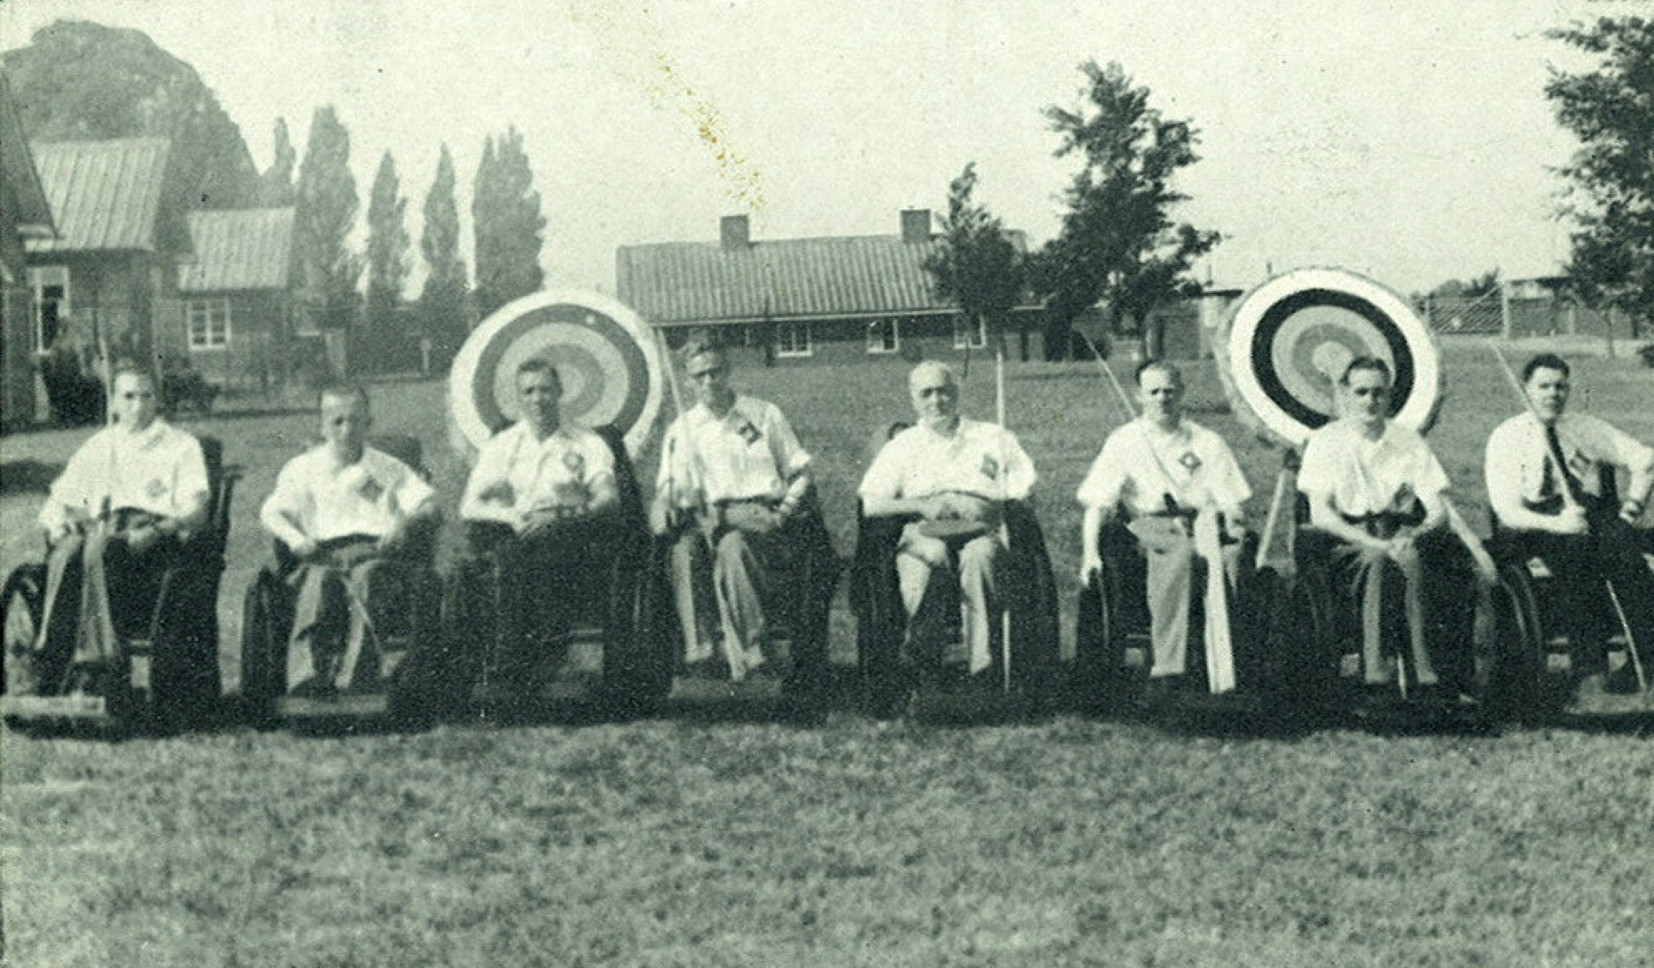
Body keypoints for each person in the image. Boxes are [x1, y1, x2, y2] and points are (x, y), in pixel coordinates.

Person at [10, 366, 209, 695]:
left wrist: (159, 531)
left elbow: (197, 511)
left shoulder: (180, 446)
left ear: (157, 400)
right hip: (104, 535)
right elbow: (56, 503)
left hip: (154, 543)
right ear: (114, 402)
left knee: (99, 547)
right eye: (129, 396)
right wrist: (59, 525)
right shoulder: (100, 446)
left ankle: (99, 668)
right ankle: (51, 658)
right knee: (70, 547)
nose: (138, 405)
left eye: (146, 396)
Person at [1077, 360, 1251, 697]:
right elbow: (1097, 504)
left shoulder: (1207, 441)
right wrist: (1090, 554)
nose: (1162, 399)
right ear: (1139, 396)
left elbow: (1231, 500)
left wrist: (1234, 519)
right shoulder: (1124, 441)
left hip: (1202, 523)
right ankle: (1169, 668)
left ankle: (1228, 666)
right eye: (1153, 392)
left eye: (1169, 391)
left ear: (1182, 392)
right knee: (1181, 553)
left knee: (1233, 557)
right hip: (1148, 525)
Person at [1484, 352, 1654, 694]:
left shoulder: (1583, 428)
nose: (1553, 394)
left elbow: (1646, 460)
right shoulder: (1507, 436)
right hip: (1532, 525)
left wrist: (1630, 511)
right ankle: (1589, 666)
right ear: (1526, 389)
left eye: (1560, 386)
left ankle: (1645, 659)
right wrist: (1559, 525)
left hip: (1585, 516)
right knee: (1576, 550)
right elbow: (1507, 511)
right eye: (1544, 386)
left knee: (1621, 539)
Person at [651, 340, 816, 680]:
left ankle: (754, 652)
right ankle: (701, 652)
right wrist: (664, 505)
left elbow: (801, 474)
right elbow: (667, 487)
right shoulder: (681, 429)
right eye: (699, 376)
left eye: (715, 372)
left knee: (733, 547)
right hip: (703, 519)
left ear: (728, 372)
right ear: (687, 381)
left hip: (757, 519)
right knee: (684, 551)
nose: (708, 382)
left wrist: (782, 513)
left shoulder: (762, 414)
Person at [859, 360, 1036, 677]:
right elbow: (871, 503)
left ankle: (982, 666)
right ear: (913, 399)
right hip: (924, 530)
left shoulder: (991, 436)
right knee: (932, 557)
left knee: (981, 555)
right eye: (926, 393)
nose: (935, 401)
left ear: (956, 393)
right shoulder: (904, 445)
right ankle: (925, 661)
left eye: (943, 391)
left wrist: (995, 502)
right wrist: (921, 506)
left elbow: (1024, 486)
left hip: (981, 528)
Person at [260, 384, 438, 696]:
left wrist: (403, 525)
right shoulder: (302, 469)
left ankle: (357, 676)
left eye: (356, 420)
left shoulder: (388, 467)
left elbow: (430, 506)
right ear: (322, 425)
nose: (347, 430)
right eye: (337, 421)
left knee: (369, 579)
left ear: (369, 423)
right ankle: (307, 676)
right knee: (319, 582)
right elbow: (271, 512)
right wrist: (296, 539)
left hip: (375, 554)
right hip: (322, 555)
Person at [1297, 355, 1452, 699]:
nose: (1370, 401)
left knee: (1411, 560)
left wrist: (1413, 534)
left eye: (1379, 393)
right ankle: (1376, 676)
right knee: (1377, 559)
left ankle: (1424, 676)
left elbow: (1438, 509)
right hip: (1345, 540)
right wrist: (1375, 543)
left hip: (1398, 530)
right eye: (1362, 392)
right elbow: (1321, 515)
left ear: (1390, 396)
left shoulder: (1408, 441)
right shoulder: (1326, 441)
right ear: (1346, 395)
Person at [459, 358, 620, 677]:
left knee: (537, 559)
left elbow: (608, 498)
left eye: (546, 389)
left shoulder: (586, 443)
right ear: (518, 397)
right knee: (506, 559)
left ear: (560, 392)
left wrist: (563, 516)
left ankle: (539, 656)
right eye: (529, 391)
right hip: (516, 530)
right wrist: (510, 516)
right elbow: (469, 506)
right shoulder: (503, 445)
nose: (538, 399)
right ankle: (514, 661)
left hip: (571, 532)